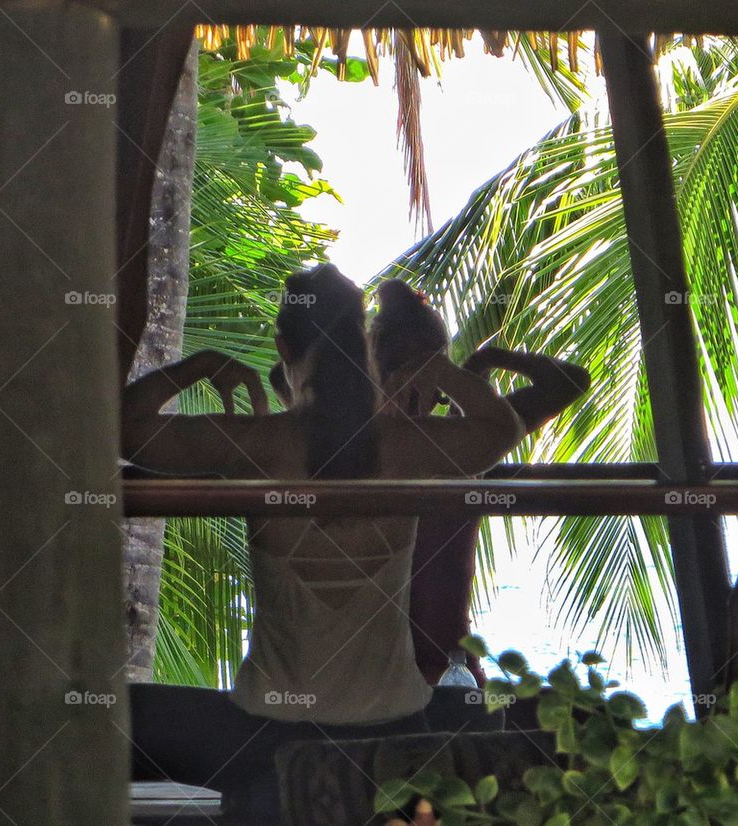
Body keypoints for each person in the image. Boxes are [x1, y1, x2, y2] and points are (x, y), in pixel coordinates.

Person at [121, 264, 525, 796]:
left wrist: (198, 366)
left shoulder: (256, 443)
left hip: (263, 736)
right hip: (395, 729)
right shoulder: (408, 445)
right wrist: (440, 370)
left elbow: (126, 429)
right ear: (361, 350)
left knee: (100, 710)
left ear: (284, 350)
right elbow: (501, 431)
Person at [367, 280, 591, 685]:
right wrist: (482, 364)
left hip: (378, 676)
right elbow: (569, 380)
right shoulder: (466, 445)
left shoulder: (339, 448)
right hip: (449, 673)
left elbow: (573, 380)